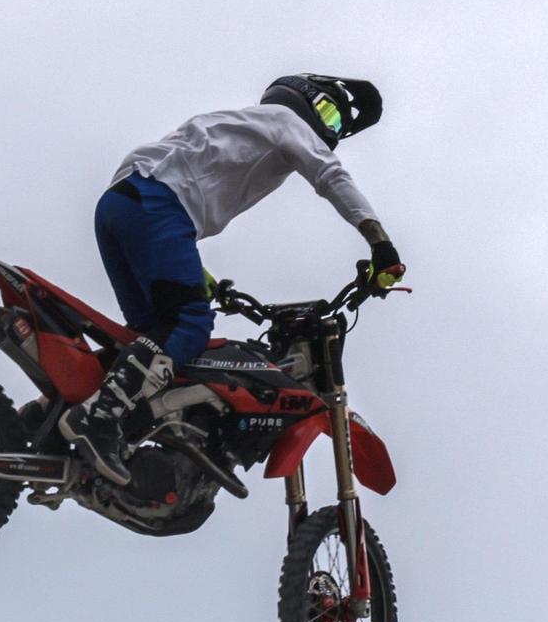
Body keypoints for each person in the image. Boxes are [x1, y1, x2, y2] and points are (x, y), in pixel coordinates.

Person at [59, 73, 406, 486]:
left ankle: (52, 419)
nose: (329, 131)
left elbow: (174, 176)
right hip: (159, 206)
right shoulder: (284, 121)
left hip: (121, 202)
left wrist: (198, 273)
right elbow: (332, 177)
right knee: (189, 323)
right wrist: (379, 243)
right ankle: (97, 421)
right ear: (305, 99)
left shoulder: (234, 123)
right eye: (329, 115)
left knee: (152, 337)